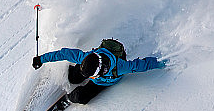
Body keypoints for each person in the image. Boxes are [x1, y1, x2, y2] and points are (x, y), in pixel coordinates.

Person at [32, 43, 165, 104]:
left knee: (82, 97)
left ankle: (70, 97)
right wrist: (41, 59)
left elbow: (142, 65)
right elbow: (64, 53)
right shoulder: (85, 57)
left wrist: (163, 62)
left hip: (102, 83)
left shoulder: (120, 67)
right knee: (73, 77)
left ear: (100, 72)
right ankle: (74, 79)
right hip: (91, 67)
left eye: (93, 76)